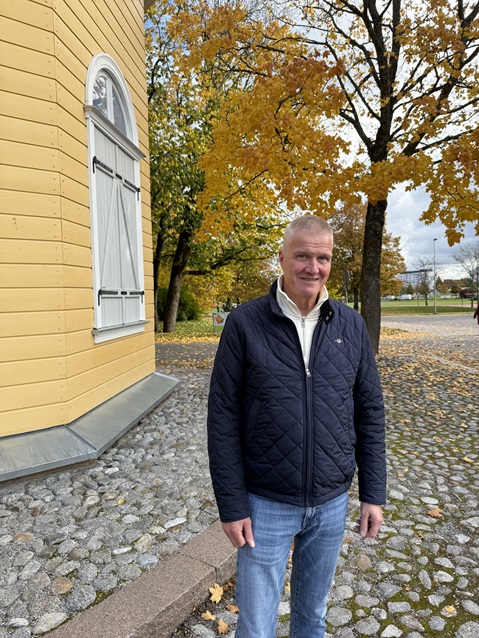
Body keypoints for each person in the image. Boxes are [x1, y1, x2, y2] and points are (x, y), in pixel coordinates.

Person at [207, 215, 386, 638]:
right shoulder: (245, 323)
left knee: (312, 619)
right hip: (265, 503)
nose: (313, 267)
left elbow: (369, 411)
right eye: (302, 256)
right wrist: (232, 505)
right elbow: (223, 416)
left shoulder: (350, 325)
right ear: (282, 257)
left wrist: (373, 494)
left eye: (323, 258)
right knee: (256, 627)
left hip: (330, 502)